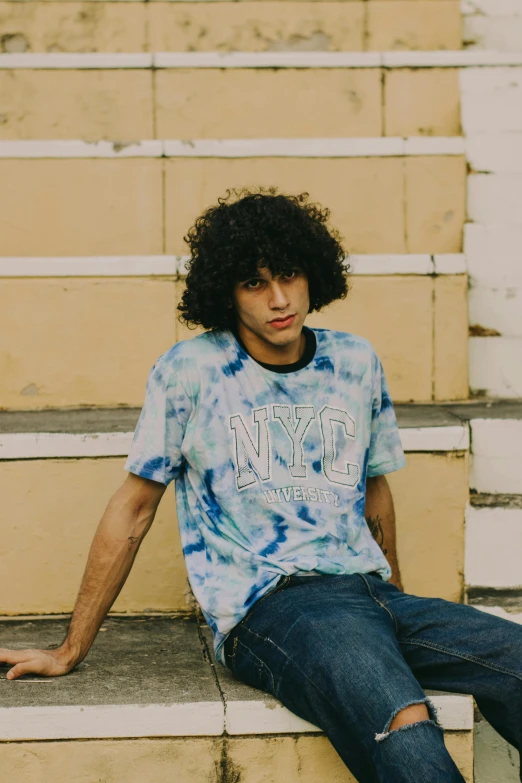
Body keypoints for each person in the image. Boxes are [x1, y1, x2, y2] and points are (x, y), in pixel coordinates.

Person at [1, 187, 521, 783]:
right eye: (254, 283)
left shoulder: (355, 362)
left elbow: (374, 488)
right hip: (271, 607)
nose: (279, 299)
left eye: (290, 275)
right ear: (226, 291)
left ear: (313, 275)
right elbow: (134, 508)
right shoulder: (191, 371)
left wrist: (391, 598)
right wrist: (71, 647)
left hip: (371, 596)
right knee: (400, 717)